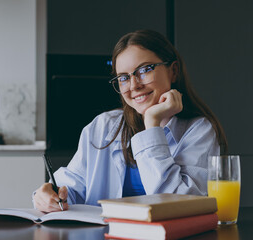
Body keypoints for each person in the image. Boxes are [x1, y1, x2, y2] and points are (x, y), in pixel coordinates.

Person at [33, 29, 227, 213]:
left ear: (173, 71)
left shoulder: (199, 130)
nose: (134, 85)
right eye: (123, 78)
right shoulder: (104, 126)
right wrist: (48, 196)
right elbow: (72, 187)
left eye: (145, 70)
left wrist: (152, 124)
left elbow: (179, 204)